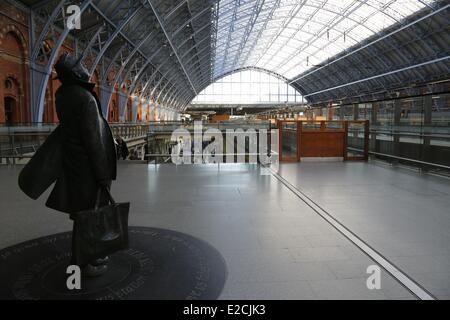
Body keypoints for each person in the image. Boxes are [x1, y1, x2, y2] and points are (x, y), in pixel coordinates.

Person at [19, 53, 117, 277]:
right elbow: (93, 141)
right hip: (89, 169)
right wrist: (102, 174)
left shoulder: (62, 95)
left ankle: (88, 255)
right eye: (80, 66)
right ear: (74, 73)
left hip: (74, 166)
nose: (84, 68)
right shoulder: (85, 98)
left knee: (82, 214)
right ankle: (84, 261)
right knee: (89, 215)